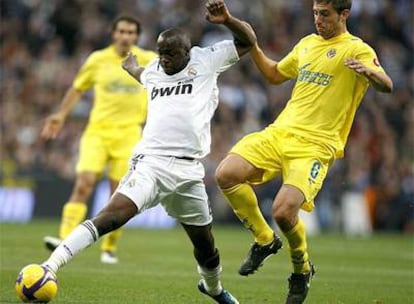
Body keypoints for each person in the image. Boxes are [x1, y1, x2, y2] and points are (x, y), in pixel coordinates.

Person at [41, 1, 255, 302]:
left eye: (171, 53)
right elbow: (145, 73)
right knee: (111, 216)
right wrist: (134, 69)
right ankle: (50, 267)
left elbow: (248, 41)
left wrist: (229, 19)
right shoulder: (154, 69)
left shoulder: (207, 60)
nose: (164, 59)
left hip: (189, 170)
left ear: (187, 52)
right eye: (161, 53)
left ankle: (213, 288)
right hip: (151, 164)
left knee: (205, 246)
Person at [215, 0, 393, 303]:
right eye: (315, 13)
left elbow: (386, 85)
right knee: (226, 174)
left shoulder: (356, 49)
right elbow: (274, 74)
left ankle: (302, 269)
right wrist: (255, 46)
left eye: (324, 14)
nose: (318, 20)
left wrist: (370, 73)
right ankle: (264, 239)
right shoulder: (307, 44)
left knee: (283, 212)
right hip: (281, 132)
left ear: (344, 14)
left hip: (315, 145)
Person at [41, 16, 157, 264]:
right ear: (113, 33)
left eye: (131, 32)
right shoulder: (97, 59)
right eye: (122, 31)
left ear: (137, 36)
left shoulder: (147, 59)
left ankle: (109, 247)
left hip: (129, 134)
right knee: (84, 183)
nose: (126, 36)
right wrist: (60, 115)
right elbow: (77, 88)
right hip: (97, 132)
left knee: (119, 194)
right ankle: (64, 239)